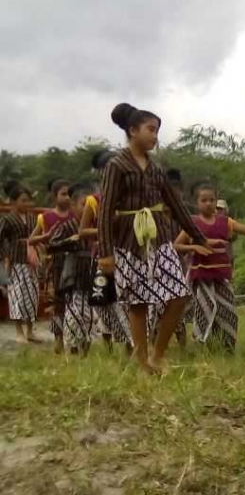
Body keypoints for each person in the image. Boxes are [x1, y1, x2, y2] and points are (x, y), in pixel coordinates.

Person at [97, 103, 211, 374]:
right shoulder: (116, 165)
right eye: (150, 129)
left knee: (179, 295)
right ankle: (142, 361)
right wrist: (105, 252)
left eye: (157, 130)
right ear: (133, 131)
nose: (155, 135)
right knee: (138, 304)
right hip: (128, 242)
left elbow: (177, 206)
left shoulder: (157, 169)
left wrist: (200, 237)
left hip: (159, 240)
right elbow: (105, 210)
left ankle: (158, 354)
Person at [175, 183, 245, 349]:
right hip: (202, 279)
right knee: (206, 309)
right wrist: (193, 247)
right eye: (204, 200)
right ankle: (202, 344)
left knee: (229, 311)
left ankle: (227, 346)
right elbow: (176, 246)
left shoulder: (225, 221)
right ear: (197, 202)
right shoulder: (193, 223)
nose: (208, 203)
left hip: (221, 277)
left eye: (211, 200)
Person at [79, 149, 133, 353]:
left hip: (128, 257)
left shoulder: (129, 199)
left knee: (128, 303)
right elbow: (83, 231)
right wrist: (107, 227)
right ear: (102, 172)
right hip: (103, 258)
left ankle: (132, 348)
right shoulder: (94, 201)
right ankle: (108, 347)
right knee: (103, 302)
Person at [48, 184, 97, 356]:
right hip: (72, 272)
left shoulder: (95, 226)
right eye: (84, 204)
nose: (87, 208)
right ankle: (72, 347)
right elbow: (51, 245)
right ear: (74, 206)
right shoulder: (67, 226)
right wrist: (69, 241)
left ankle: (85, 347)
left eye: (90, 205)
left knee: (88, 313)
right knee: (73, 311)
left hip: (90, 273)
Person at [29, 178, 74, 353]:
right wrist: (45, 237)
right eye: (63, 194)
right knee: (57, 302)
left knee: (73, 301)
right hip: (55, 263)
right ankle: (58, 339)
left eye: (69, 194)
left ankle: (74, 339)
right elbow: (32, 239)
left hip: (75, 263)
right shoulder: (45, 217)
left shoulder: (76, 215)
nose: (67, 198)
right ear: (54, 196)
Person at [147, 168, 189, 348]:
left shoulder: (184, 216)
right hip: (155, 266)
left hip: (178, 266)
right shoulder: (152, 215)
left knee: (176, 306)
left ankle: (181, 345)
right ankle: (154, 345)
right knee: (156, 307)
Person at [0, 182, 42, 343]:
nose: (26, 204)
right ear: (13, 201)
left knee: (32, 295)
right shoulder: (8, 219)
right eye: (23, 200)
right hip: (16, 261)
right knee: (17, 295)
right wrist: (5, 257)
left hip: (32, 261)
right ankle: (19, 332)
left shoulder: (33, 218)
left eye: (28, 200)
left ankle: (30, 330)